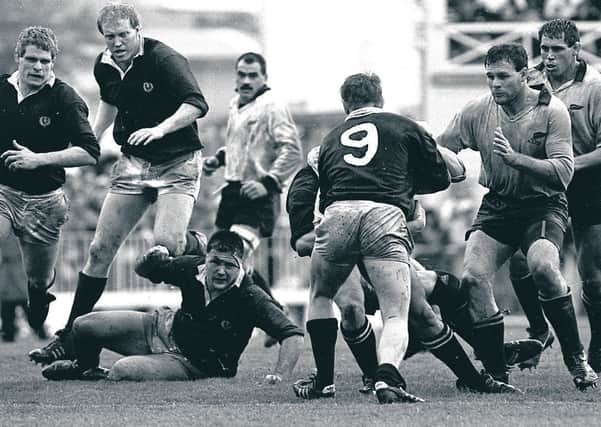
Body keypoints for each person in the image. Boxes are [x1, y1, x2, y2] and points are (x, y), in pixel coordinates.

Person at [29, 3, 209, 365]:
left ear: (138, 30)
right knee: (99, 250)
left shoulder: (165, 60)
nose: (116, 43)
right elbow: (109, 104)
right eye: (109, 37)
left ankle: (196, 243)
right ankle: (68, 337)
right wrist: (90, 140)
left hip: (177, 160)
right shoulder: (105, 64)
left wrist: (160, 129)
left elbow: (196, 104)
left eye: (123, 35)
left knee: (166, 247)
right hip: (133, 162)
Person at [288, 147, 532, 395]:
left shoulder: (375, 172)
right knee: (352, 307)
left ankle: (474, 376)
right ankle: (370, 378)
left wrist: (428, 145)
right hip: (336, 252)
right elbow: (302, 242)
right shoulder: (307, 183)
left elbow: (440, 192)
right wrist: (351, 232)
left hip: (377, 243)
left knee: (425, 306)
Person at [438, 42, 598, 390]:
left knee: (542, 267)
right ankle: (497, 373)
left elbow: (563, 172)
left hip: (543, 204)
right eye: (489, 77)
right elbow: (441, 147)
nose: (495, 84)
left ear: (525, 75)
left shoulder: (551, 110)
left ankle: (577, 360)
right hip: (498, 204)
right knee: (473, 277)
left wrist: (516, 160)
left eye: (503, 76)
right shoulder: (476, 111)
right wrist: (438, 164)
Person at [292, 72, 452, 404]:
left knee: (321, 296)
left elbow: (309, 190)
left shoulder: (330, 139)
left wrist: (301, 233)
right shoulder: (403, 125)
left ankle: (324, 381)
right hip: (383, 215)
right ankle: (387, 377)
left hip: (337, 216)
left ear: (345, 103)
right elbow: (442, 177)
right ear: (380, 99)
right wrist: (402, 187)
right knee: (395, 312)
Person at [41, 230, 304, 382]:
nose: (221, 271)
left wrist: (279, 375)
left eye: (229, 265)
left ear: (241, 265)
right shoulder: (192, 267)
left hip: (194, 362)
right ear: (207, 258)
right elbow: (144, 271)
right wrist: (148, 259)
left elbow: (291, 333)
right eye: (216, 262)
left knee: (123, 370)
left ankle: (110, 373)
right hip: (162, 328)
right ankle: (84, 367)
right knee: (83, 325)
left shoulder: (252, 296)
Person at [508, 19, 601, 374]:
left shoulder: (594, 88)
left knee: (592, 274)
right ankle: (538, 329)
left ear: (577, 50)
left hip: (588, 182)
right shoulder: (531, 79)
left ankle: (597, 344)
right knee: (522, 261)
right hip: (543, 185)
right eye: (543, 48)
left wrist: (565, 165)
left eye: (556, 50)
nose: (547, 57)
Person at [0, 27, 100, 333]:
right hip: (3, 191)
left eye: (46, 61)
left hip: (45, 200)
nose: (38, 67)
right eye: (31, 59)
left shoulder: (65, 98)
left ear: (53, 62)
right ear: (18, 57)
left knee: (39, 277)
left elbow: (90, 152)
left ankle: (39, 295)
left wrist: (38, 159)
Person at [202, 52, 302, 296]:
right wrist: (219, 159)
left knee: (231, 257)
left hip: (257, 195)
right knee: (225, 262)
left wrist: (268, 183)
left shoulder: (272, 106)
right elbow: (245, 146)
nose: (246, 81)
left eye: (253, 75)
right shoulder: (236, 103)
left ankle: (276, 319)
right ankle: (274, 314)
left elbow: (292, 150)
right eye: (242, 75)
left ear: (264, 78)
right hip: (232, 193)